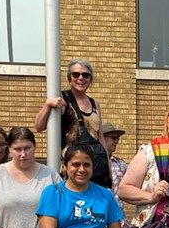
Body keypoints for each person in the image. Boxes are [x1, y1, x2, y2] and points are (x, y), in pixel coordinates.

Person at [33, 59, 112, 189]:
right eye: (76, 74)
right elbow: (39, 126)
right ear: (69, 78)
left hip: (96, 168)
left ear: (90, 79)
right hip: (72, 168)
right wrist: (48, 105)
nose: (80, 78)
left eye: (85, 75)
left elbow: (101, 138)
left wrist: (108, 168)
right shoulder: (63, 98)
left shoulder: (94, 104)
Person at [101, 122, 128, 228]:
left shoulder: (121, 164)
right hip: (98, 226)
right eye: (112, 137)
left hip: (118, 225)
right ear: (101, 138)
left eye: (117, 138)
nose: (116, 141)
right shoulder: (92, 162)